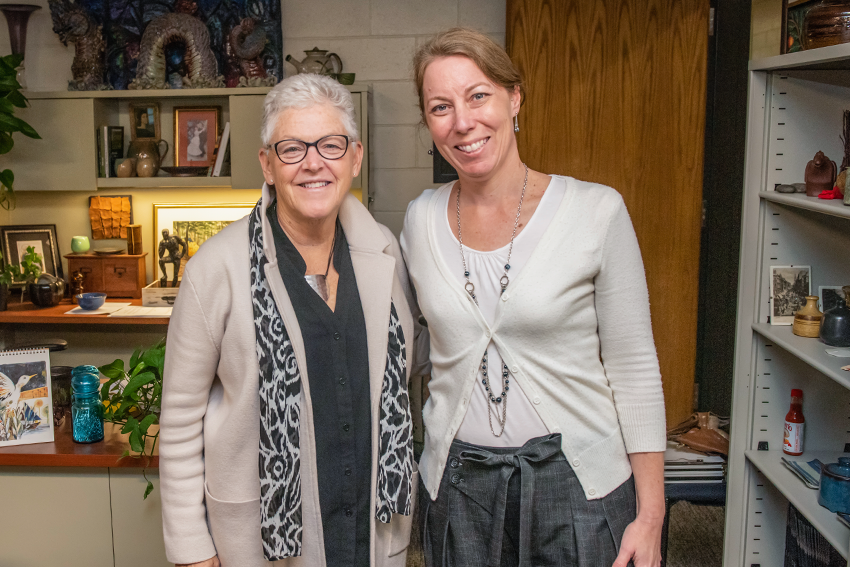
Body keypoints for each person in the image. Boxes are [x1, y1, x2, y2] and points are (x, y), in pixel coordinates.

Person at [401, 28, 666, 567]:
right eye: (440, 106)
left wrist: (651, 513)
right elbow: (411, 347)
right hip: (459, 489)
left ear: (514, 98)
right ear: (429, 123)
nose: (462, 122)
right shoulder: (419, 220)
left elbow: (634, 366)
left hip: (579, 489)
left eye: (479, 95)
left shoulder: (597, 212)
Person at [159, 73, 421, 567]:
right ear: (268, 164)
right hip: (262, 540)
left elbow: (411, 369)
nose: (314, 163)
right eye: (293, 148)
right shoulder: (215, 268)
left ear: (355, 157)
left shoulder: (385, 252)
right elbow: (178, 419)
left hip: (371, 527)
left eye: (331, 145)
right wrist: (192, 549)